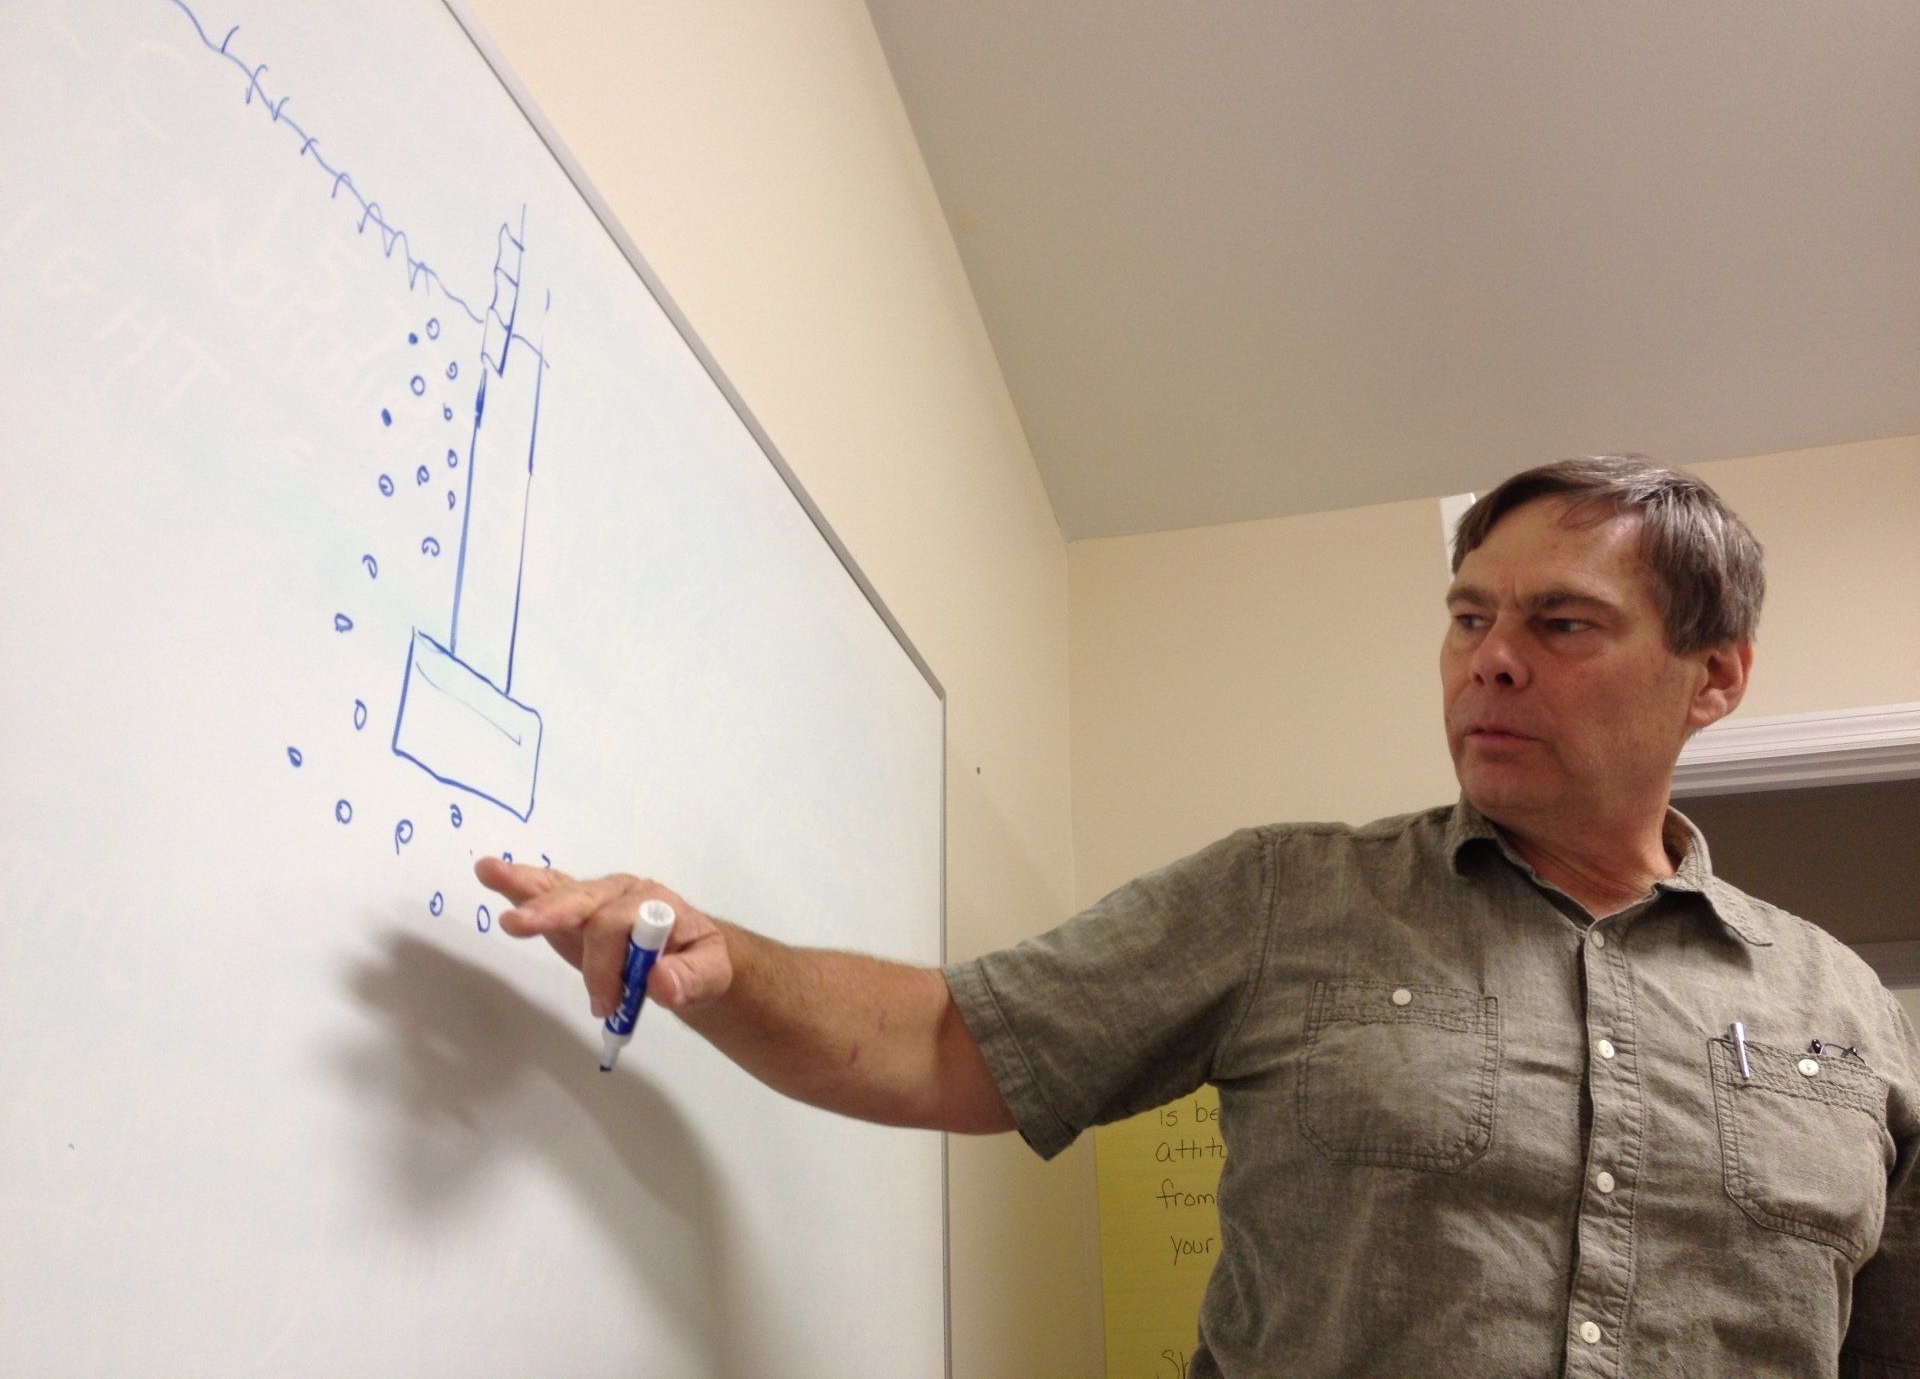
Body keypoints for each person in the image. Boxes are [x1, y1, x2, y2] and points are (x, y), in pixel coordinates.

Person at [477, 455, 1917, 1378]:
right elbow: (947, 1041)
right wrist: (728, 969)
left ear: (1713, 679)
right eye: (1469, 617)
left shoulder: (1849, 1013)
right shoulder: (1285, 898)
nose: (1490, 664)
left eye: (1562, 625)